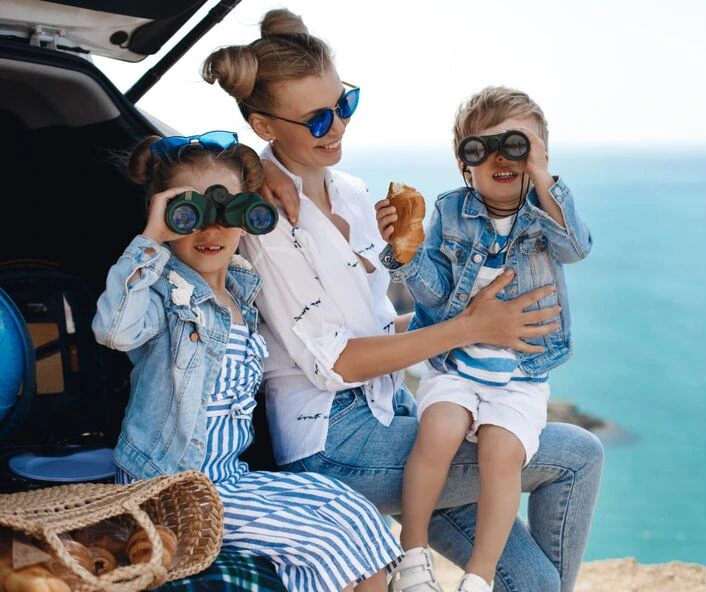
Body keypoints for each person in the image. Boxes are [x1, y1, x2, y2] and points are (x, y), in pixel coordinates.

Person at [202, 9, 603, 592]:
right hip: (333, 442)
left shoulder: (356, 193)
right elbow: (334, 362)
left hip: (399, 417)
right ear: (264, 125)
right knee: (578, 454)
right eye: (316, 118)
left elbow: (386, 323)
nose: (336, 126)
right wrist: (469, 328)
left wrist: (491, 319)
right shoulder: (265, 220)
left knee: (532, 581)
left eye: (344, 104)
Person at [92, 131, 402, 592]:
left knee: (353, 511)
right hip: (173, 488)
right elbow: (114, 330)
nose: (210, 230)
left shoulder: (243, 288)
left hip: (228, 478)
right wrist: (151, 238)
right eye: (190, 214)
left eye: (227, 212)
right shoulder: (163, 293)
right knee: (333, 534)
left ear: (247, 216)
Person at [374, 86, 591, 592]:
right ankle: (413, 555)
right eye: (481, 149)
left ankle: (480, 576)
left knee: (501, 455)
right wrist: (404, 255)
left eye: (514, 145)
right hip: (455, 362)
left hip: (520, 375)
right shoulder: (450, 212)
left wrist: (543, 176)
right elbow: (433, 292)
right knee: (438, 434)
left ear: (537, 152)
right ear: (464, 164)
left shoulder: (544, 213)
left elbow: (575, 248)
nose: (499, 157)